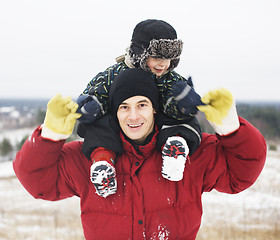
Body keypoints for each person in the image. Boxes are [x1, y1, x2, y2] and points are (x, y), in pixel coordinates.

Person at [13, 68, 266, 240]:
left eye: (142, 105)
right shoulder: (87, 159)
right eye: (124, 107)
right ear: (115, 113)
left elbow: (241, 173)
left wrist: (231, 128)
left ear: (155, 109)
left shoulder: (189, 154)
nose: (133, 116)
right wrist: (51, 133)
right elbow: (38, 182)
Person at [76, 19, 204, 197]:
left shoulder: (169, 78)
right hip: (121, 129)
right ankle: (103, 162)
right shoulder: (114, 74)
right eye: (157, 57)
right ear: (140, 53)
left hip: (158, 128)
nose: (163, 64)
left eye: (169, 58)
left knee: (186, 122)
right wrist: (91, 105)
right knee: (100, 125)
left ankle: (175, 148)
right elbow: (97, 90)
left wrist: (183, 104)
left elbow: (175, 103)